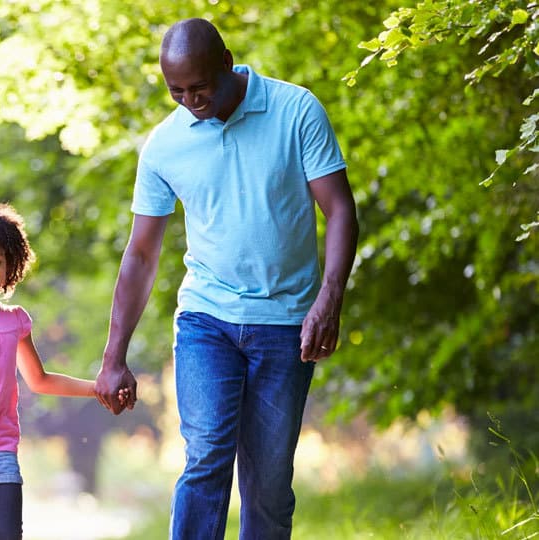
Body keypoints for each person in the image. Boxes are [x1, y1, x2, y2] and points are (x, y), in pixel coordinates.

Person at [94, 18, 359, 540]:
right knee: (207, 456)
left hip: (286, 324)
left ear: (227, 61)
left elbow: (340, 209)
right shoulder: (165, 145)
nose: (191, 100)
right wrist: (113, 355)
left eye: (200, 87)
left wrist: (330, 297)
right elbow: (142, 253)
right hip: (206, 320)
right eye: (177, 91)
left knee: (267, 483)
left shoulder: (294, 109)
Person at [0, 204, 123, 540]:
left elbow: (40, 380)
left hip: (1, 448)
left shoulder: (15, 321)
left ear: (10, 264)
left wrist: (98, 388)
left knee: (9, 533)